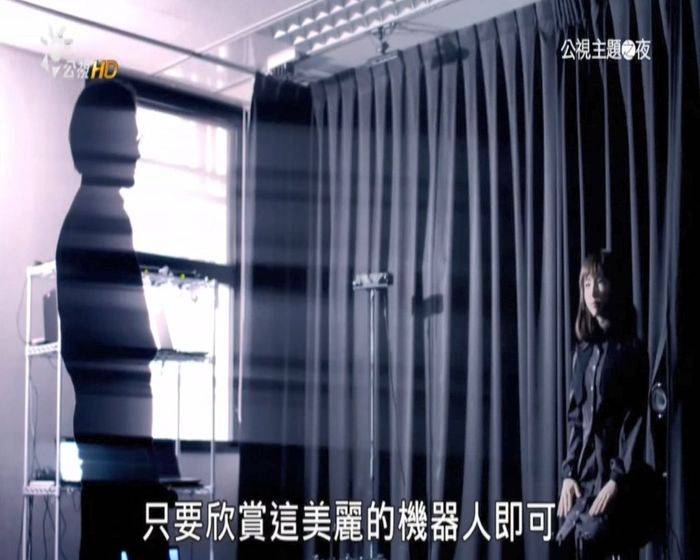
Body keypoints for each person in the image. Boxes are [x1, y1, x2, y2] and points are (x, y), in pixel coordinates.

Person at [56, 80, 171, 560]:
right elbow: (120, 345)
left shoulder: (93, 216)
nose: (137, 152)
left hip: (111, 432)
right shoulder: (99, 221)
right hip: (117, 434)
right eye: (130, 138)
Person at [556, 250, 653, 559]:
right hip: (584, 478)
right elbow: (576, 419)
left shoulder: (630, 349)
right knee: (565, 540)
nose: (592, 292)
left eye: (599, 282)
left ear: (613, 285)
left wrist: (616, 480)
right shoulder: (582, 352)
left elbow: (634, 420)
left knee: (599, 537)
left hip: (616, 477)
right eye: (586, 284)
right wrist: (568, 473)